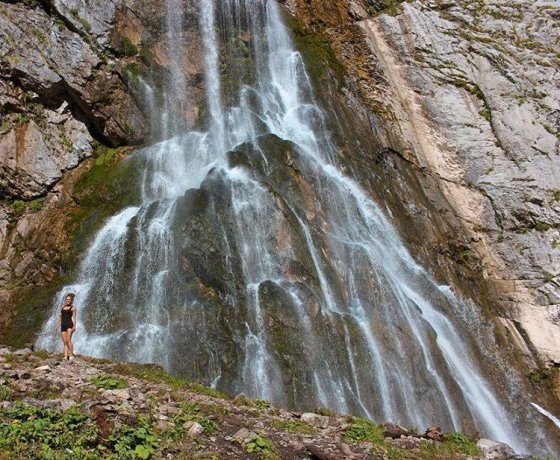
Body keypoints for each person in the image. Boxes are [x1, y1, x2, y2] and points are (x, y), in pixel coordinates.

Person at [56, 293, 77, 361]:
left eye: (69, 299)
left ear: (71, 300)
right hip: (63, 325)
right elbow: (60, 316)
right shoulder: (63, 306)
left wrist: (74, 326)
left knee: (68, 340)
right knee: (64, 341)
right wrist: (57, 325)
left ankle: (71, 355)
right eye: (67, 299)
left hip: (69, 325)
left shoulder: (73, 308)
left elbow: (74, 318)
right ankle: (65, 356)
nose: (68, 300)